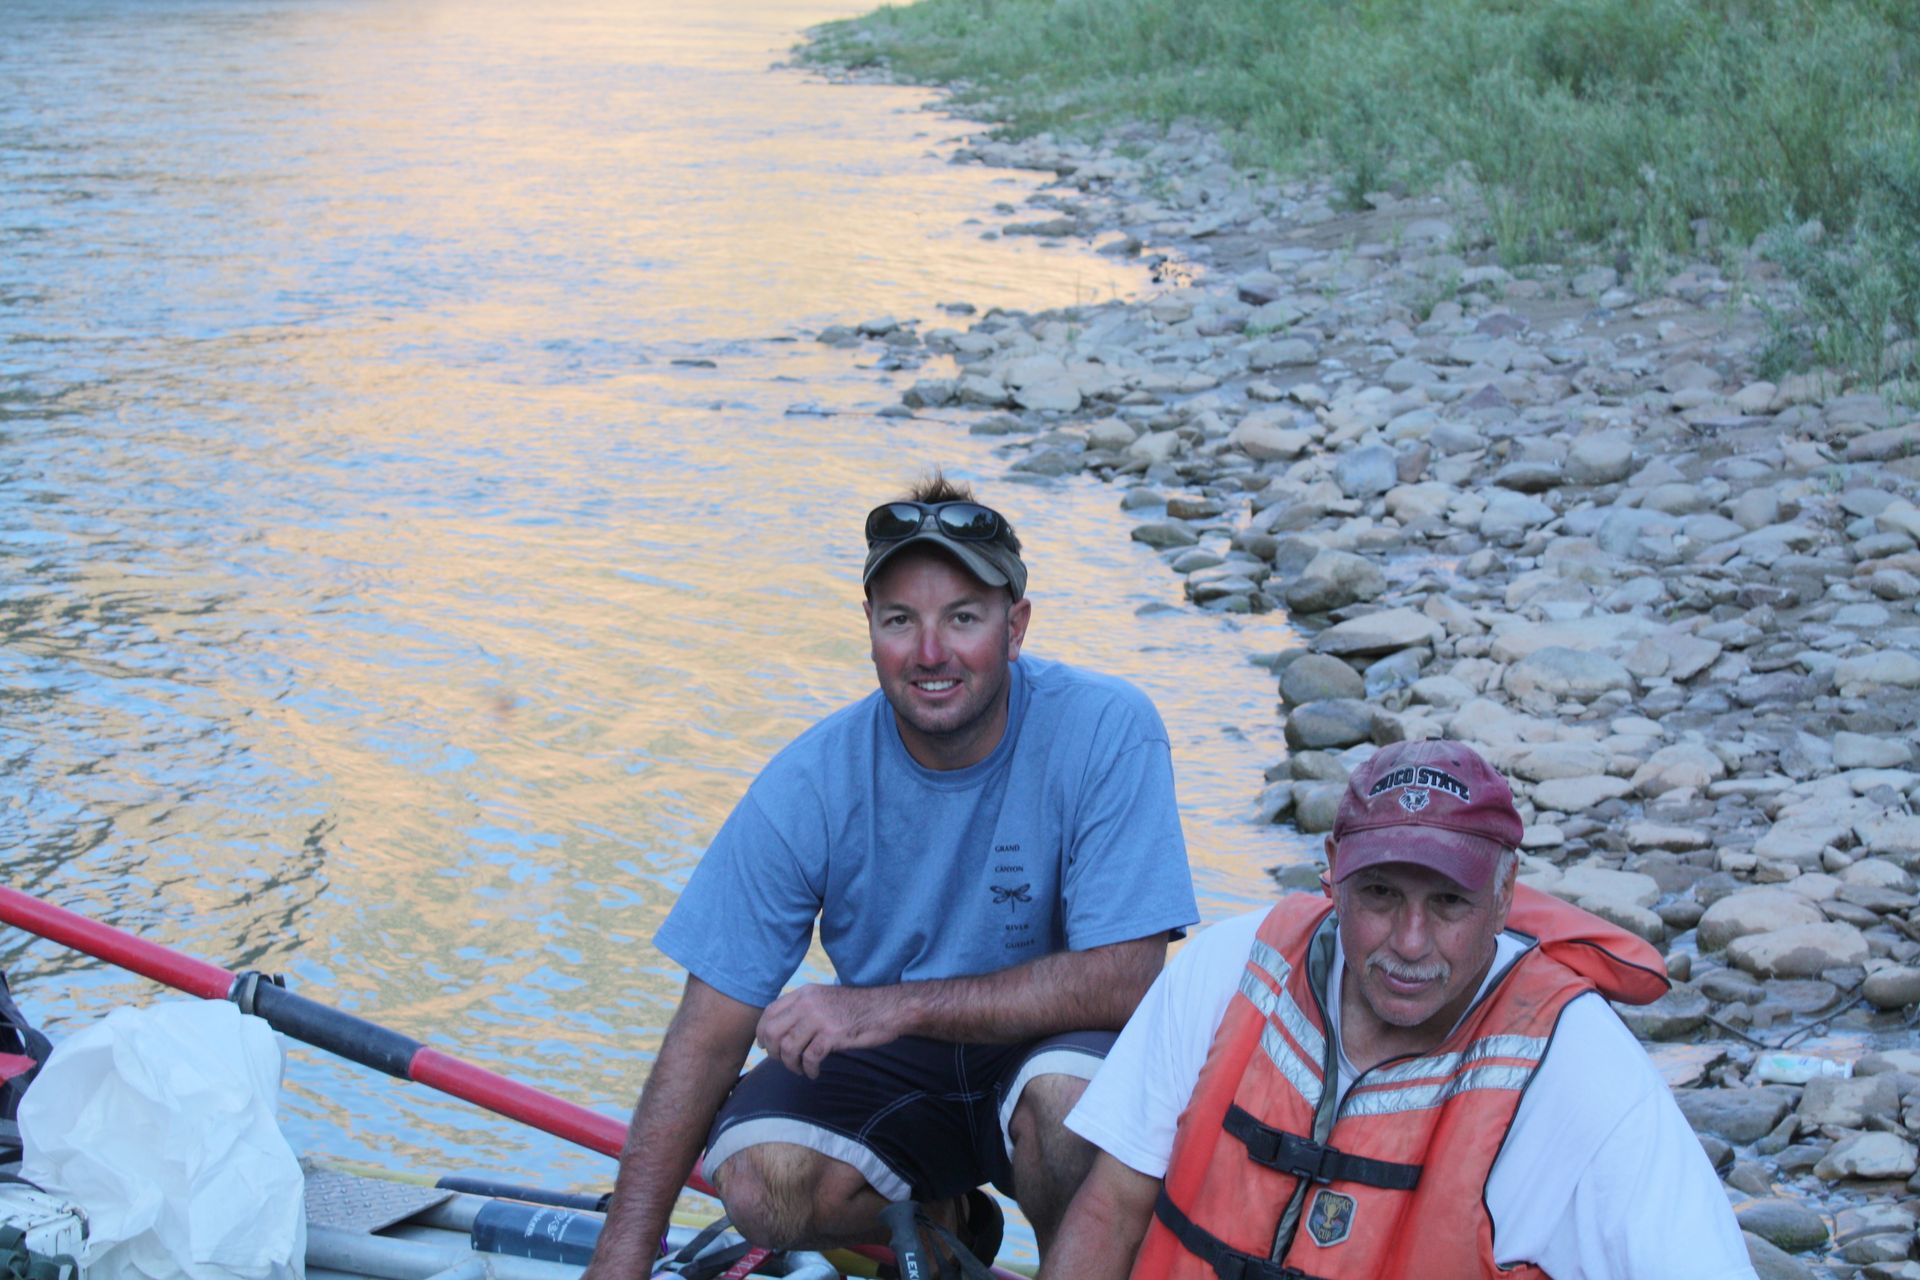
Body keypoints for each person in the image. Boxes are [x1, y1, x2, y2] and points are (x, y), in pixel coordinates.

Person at [583, 476, 1199, 1278]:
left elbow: (1128, 978)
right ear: (869, 629)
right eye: (901, 620)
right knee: (758, 1181)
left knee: (1072, 1112)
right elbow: (708, 1031)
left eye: (963, 619)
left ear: (1016, 628)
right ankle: (944, 1220)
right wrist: (622, 1254)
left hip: (1054, 1050)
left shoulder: (1109, 728)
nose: (931, 653)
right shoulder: (808, 780)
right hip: (900, 1067)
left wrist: (887, 1005)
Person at [1044, 738, 1761, 1280]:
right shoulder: (1230, 966)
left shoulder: (1580, 1069)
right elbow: (1113, 1206)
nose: (1410, 944)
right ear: (1333, 871)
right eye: (1381, 895)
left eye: (1449, 902)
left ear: (1505, 895)